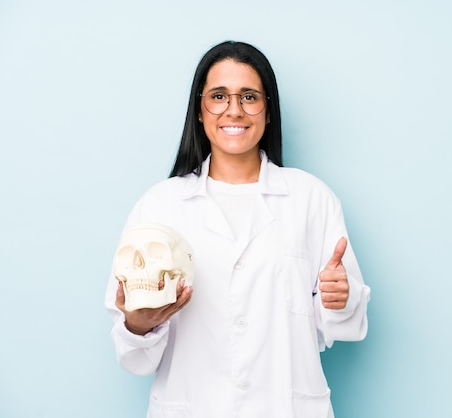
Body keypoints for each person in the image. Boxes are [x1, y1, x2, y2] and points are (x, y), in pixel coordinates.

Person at [104, 40, 370, 418]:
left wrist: (340, 299)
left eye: (249, 96)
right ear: (199, 110)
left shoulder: (311, 198)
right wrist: (138, 326)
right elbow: (134, 359)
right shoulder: (160, 205)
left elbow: (343, 326)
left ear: (268, 109)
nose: (234, 110)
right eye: (218, 96)